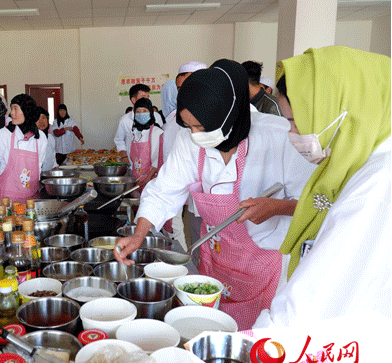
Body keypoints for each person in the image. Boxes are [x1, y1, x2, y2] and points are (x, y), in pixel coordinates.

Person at [114, 59, 315, 330]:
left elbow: (315, 202)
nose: (195, 135)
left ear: (228, 114)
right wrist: (139, 235)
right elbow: (163, 191)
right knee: (211, 329)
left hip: (263, 266)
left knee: (254, 337)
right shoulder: (189, 140)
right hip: (217, 259)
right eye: (189, 127)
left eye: (201, 127)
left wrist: (276, 207)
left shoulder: (278, 136)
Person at [254, 46, 391, 328]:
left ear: (340, 112)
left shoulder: (376, 185)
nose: (292, 133)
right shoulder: (358, 161)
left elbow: (307, 303)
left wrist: (261, 340)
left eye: (296, 122)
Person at [162, 62, 207, 252]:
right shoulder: (176, 120)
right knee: (199, 249)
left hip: (223, 203)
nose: (184, 93)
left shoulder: (230, 116)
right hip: (190, 194)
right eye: (180, 89)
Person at [0, 94, 48, 207]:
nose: (12, 113)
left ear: (27, 111)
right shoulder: (3, 135)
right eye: (11, 108)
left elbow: (39, 166)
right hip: (7, 200)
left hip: (31, 199)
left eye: (15, 108)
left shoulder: (40, 137)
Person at [114, 84, 164, 165]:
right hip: (133, 164)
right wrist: (124, 156)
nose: (146, 100)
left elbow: (161, 139)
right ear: (133, 100)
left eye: (148, 97)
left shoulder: (156, 116)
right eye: (143, 97)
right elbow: (119, 140)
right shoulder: (125, 120)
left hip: (153, 165)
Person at [127, 97, 164, 192]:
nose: (141, 114)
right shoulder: (134, 133)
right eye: (138, 111)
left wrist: (147, 178)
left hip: (150, 181)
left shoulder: (156, 132)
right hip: (135, 181)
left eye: (144, 111)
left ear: (150, 113)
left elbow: (157, 161)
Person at [37, 106, 57, 172]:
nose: (41, 121)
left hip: (49, 174)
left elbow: (53, 159)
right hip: (36, 175)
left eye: (43, 118)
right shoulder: (31, 138)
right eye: (38, 118)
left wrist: (55, 168)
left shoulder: (50, 138)